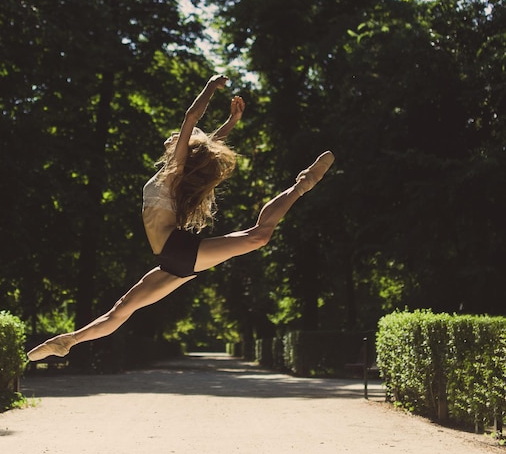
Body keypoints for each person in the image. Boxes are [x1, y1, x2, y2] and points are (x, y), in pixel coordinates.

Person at [27, 75, 334, 361]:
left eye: (180, 138)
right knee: (119, 312)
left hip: (177, 250)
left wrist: (211, 89)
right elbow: (204, 142)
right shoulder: (174, 173)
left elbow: (192, 119)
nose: (175, 135)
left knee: (259, 236)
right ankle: (69, 341)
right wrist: (229, 122)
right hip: (168, 259)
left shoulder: (174, 170)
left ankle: (302, 184)